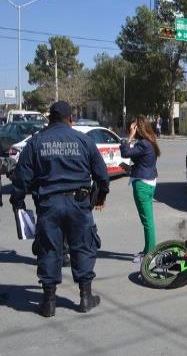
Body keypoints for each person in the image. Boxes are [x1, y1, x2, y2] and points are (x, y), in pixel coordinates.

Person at [10, 101, 109, 317]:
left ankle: (48, 302)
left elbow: (21, 179)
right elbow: (102, 175)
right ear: (69, 118)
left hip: (48, 205)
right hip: (79, 203)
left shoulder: (36, 143)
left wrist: (18, 204)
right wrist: (100, 197)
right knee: (83, 247)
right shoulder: (84, 140)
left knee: (49, 250)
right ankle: (85, 297)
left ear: (50, 119)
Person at [120, 115, 161, 263]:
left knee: (147, 221)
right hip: (149, 182)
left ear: (139, 128)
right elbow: (144, 163)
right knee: (148, 220)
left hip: (142, 186)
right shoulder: (150, 141)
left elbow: (125, 152)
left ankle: (150, 254)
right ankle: (147, 250)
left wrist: (129, 137)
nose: (132, 129)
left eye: (134, 127)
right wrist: (130, 169)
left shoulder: (143, 144)